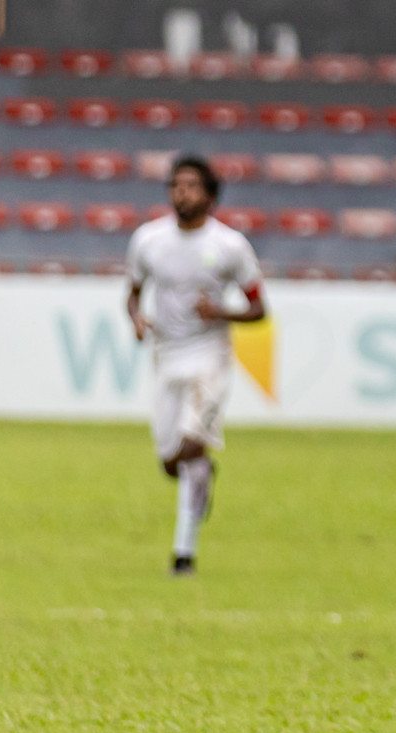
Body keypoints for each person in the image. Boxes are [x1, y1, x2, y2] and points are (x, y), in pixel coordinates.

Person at [125, 155, 266, 575]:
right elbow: (132, 291)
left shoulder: (229, 246)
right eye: (175, 185)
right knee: (171, 458)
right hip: (167, 354)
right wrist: (135, 317)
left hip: (210, 355)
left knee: (191, 445)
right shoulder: (149, 240)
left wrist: (221, 312)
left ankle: (183, 554)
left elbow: (259, 308)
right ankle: (202, 474)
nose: (180, 193)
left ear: (210, 195)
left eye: (189, 186)